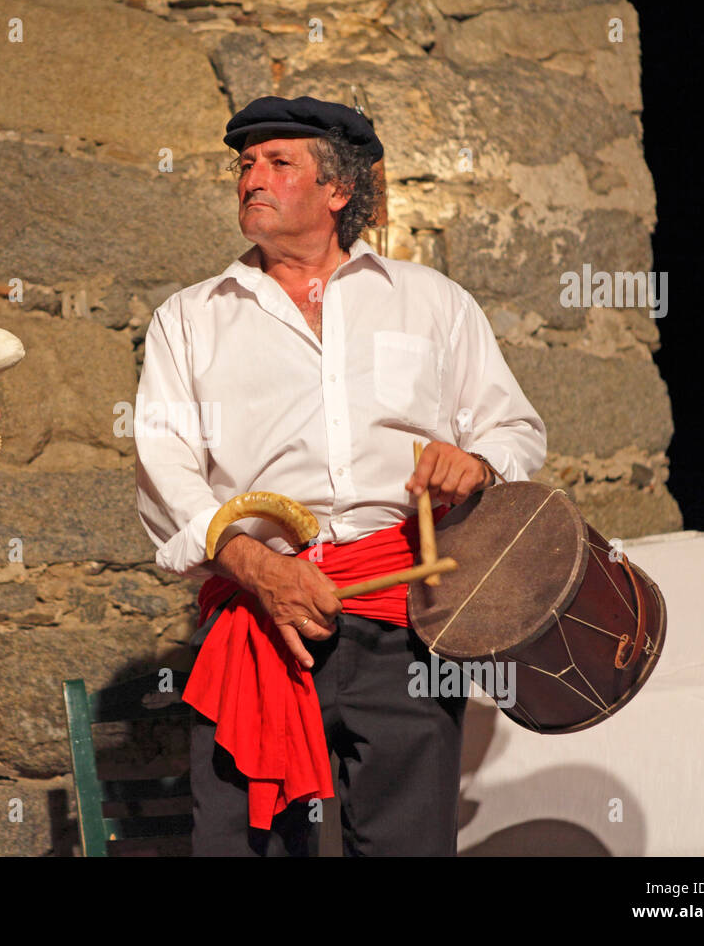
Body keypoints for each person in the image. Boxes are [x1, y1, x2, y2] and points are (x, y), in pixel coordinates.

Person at [134, 95, 547, 856]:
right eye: (244, 165)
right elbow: (166, 471)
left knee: (408, 843)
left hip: (407, 620)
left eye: (277, 162)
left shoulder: (431, 303)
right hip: (260, 622)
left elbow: (514, 428)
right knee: (241, 844)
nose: (252, 177)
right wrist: (257, 569)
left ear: (338, 190)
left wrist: (479, 461)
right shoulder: (189, 318)